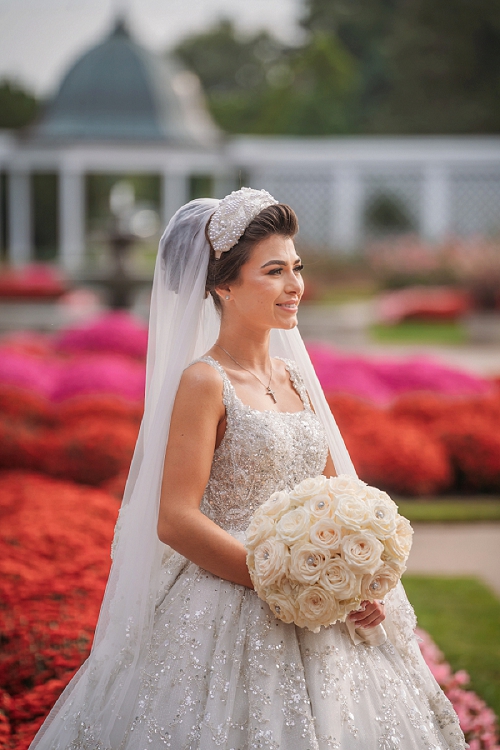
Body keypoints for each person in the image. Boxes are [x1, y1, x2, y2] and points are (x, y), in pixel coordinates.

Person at [30, 188, 467, 750]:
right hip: (226, 604)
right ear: (223, 285)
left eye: (297, 268)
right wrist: (280, 579)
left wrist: (358, 580)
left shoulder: (299, 381)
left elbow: (340, 493)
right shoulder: (204, 382)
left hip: (323, 604)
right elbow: (177, 519)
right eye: (274, 271)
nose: (295, 287)